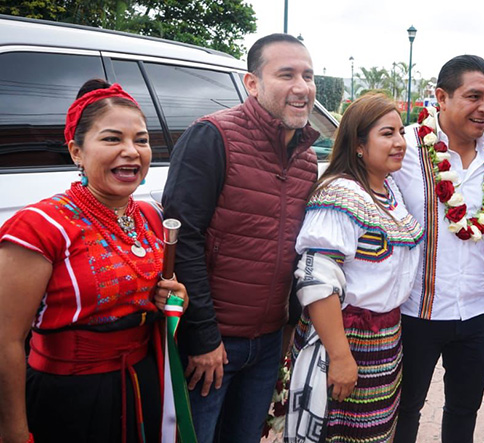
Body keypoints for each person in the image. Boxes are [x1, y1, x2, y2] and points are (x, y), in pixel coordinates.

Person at [0, 79, 189, 443]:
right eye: (112, 139)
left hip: (142, 388)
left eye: (141, 140)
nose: (131, 151)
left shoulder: (150, 217)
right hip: (69, 401)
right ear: (77, 152)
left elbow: (157, 300)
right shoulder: (40, 226)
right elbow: (5, 340)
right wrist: (14, 433)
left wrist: (175, 298)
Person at [161, 33, 319, 443]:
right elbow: (183, 240)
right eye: (286, 74)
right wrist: (203, 338)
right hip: (212, 346)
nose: (302, 87)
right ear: (252, 83)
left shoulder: (306, 158)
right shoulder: (212, 136)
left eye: (308, 76)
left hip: (267, 344)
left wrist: (287, 329)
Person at [392, 54, 484, 443]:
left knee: (463, 413)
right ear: (441, 97)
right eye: (474, 96)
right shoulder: (404, 148)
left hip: (478, 312)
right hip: (415, 312)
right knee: (404, 412)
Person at [285, 93, 423, 442]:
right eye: (387, 133)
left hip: (385, 341)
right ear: (359, 145)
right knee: (339, 432)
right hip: (347, 339)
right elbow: (317, 282)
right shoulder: (341, 194)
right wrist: (341, 357)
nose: (400, 142)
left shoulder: (388, 188)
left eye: (401, 132)